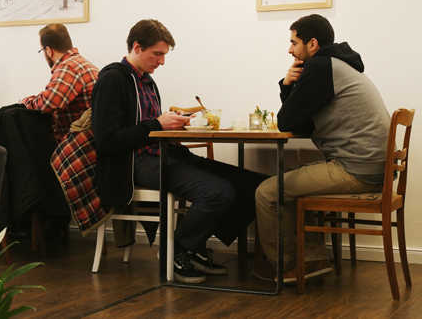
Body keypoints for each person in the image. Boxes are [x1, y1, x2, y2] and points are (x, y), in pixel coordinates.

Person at [91, 19, 267, 283]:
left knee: (255, 185)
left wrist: (175, 124)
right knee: (217, 191)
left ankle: (194, 245)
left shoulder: (147, 82)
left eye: (164, 55)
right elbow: (107, 140)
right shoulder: (113, 78)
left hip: (166, 154)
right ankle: (177, 250)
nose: (162, 61)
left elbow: (148, 126)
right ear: (137, 47)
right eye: (157, 54)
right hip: (134, 162)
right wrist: (157, 124)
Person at [254, 14, 390, 284]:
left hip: (357, 169)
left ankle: (288, 266)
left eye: (294, 42)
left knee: (267, 192)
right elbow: (302, 122)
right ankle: (311, 260)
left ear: (312, 44)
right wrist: (288, 87)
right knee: (287, 184)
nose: (290, 50)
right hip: (371, 167)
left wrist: (286, 85)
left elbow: (287, 122)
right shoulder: (338, 64)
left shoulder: (320, 66)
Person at [21, 23, 98, 142]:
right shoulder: (83, 64)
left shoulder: (69, 67)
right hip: (89, 139)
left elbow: (47, 103)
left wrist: (24, 102)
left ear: (48, 51)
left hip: (74, 143)